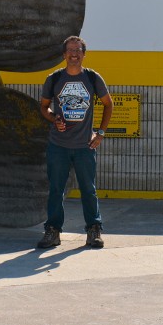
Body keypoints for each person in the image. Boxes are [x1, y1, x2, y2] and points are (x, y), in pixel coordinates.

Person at [37, 35, 113, 249]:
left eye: (78, 50)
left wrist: (100, 133)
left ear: (84, 54)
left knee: (88, 189)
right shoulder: (54, 79)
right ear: (64, 55)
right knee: (56, 190)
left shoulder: (92, 78)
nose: (74, 53)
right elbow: (44, 107)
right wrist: (54, 118)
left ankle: (93, 230)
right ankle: (52, 231)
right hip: (58, 146)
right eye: (70, 50)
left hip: (84, 147)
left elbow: (109, 104)